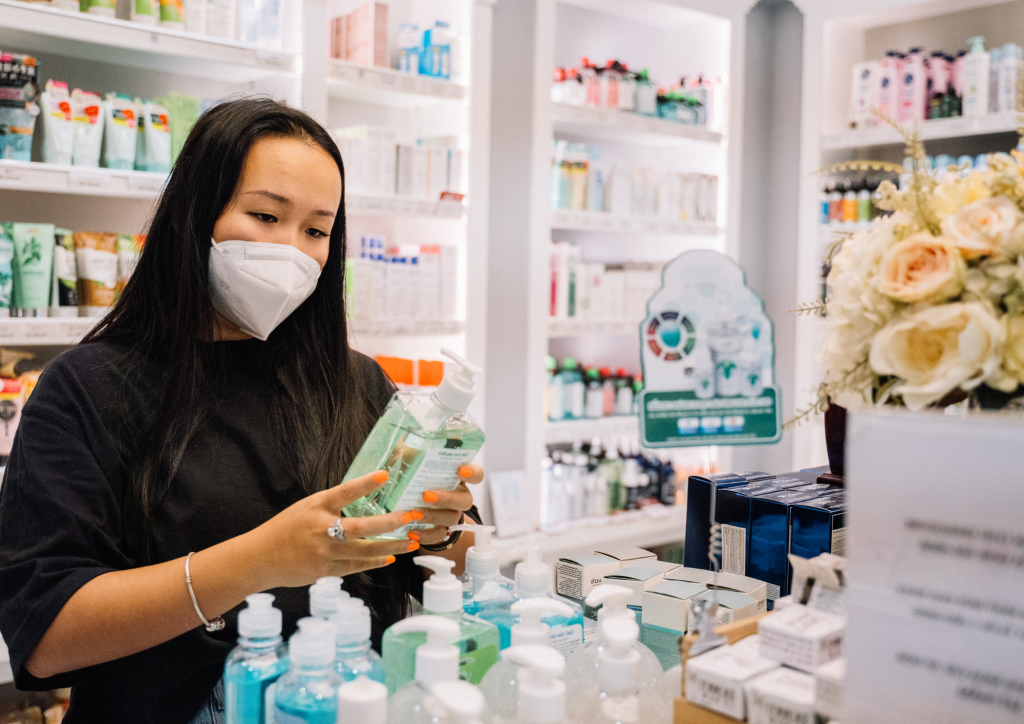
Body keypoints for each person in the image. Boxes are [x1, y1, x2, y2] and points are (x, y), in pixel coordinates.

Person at [0, 98, 484, 724]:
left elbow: (452, 561)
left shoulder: (355, 382)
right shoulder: (87, 389)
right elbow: (45, 640)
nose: (291, 249)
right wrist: (259, 560)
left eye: (315, 230)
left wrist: (439, 530)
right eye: (264, 215)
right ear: (190, 219)